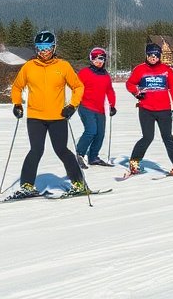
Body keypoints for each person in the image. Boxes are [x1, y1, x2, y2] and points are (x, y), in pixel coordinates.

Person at [10, 30, 88, 197]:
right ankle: (27, 186)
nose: (43, 51)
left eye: (47, 47)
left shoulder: (63, 66)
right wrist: (17, 103)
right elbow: (17, 87)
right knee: (35, 151)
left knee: (61, 150)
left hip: (58, 117)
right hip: (35, 117)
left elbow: (78, 87)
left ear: (54, 47)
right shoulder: (28, 67)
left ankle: (78, 183)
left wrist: (72, 106)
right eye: (40, 47)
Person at [125, 42, 173, 175]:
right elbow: (130, 83)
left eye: (156, 55)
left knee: (167, 137)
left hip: (163, 109)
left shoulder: (167, 70)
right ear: (146, 55)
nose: (153, 58)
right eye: (150, 55)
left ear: (160, 57)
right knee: (147, 137)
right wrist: (136, 92)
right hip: (146, 109)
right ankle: (134, 162)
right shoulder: (140, 69)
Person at [75, 46, 117, 167]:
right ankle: (80, 154)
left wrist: (112, 105)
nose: (99, 62)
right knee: (91, 131)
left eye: (101, 59)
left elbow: (109, 91)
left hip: (100, 109)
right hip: (86, 107)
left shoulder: (105, 75)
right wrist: (74, 102)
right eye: (96, 59)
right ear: (91, 59)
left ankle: (93, 157)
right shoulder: (84, 73)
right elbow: (76, 88)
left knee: (100, 134)